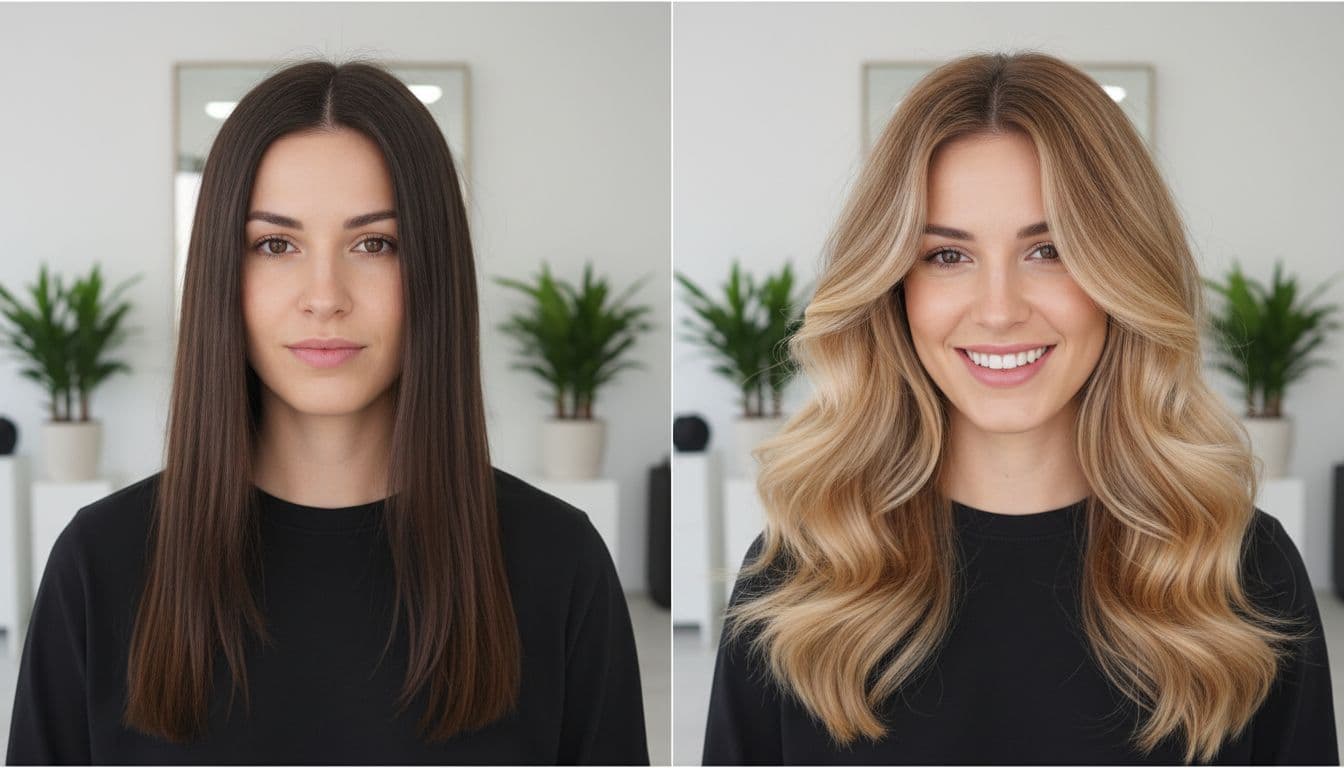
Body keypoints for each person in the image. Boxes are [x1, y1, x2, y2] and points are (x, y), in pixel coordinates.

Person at [6, 58, 649, 765]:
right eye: (275, 244)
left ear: (433, 269)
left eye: (375, 244)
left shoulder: (558, 564)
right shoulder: (100, 565)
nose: (324, 295)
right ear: (225, 273)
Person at [702, 51, 1338, 765]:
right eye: (947, 256)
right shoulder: (804, 573)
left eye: (1049, 249)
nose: (999, 311)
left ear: (1121, 272)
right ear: (892, 287)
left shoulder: (1241, 567)